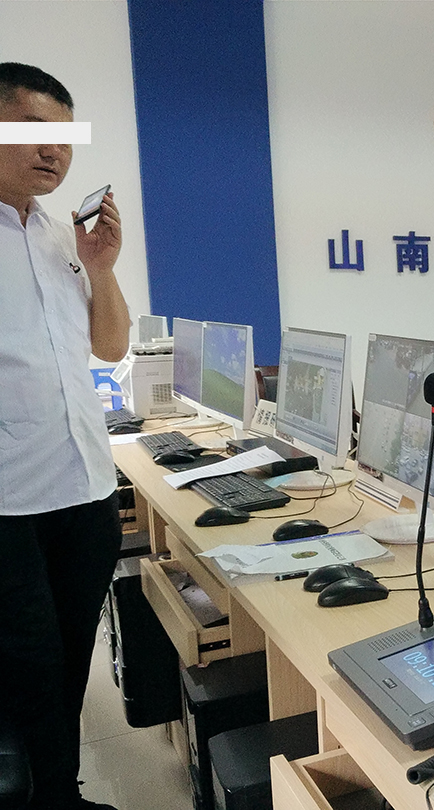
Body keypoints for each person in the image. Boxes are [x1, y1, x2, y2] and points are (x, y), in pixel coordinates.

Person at [0, 63, 129, 809]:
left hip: (85, 491)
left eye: (66, 138)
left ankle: (60, 795)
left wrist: (101, 269)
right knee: (29, 669)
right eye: (33, 132)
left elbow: (110, 347)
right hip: (9, 505)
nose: (54, 152)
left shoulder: (62, 237)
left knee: (71, 657)